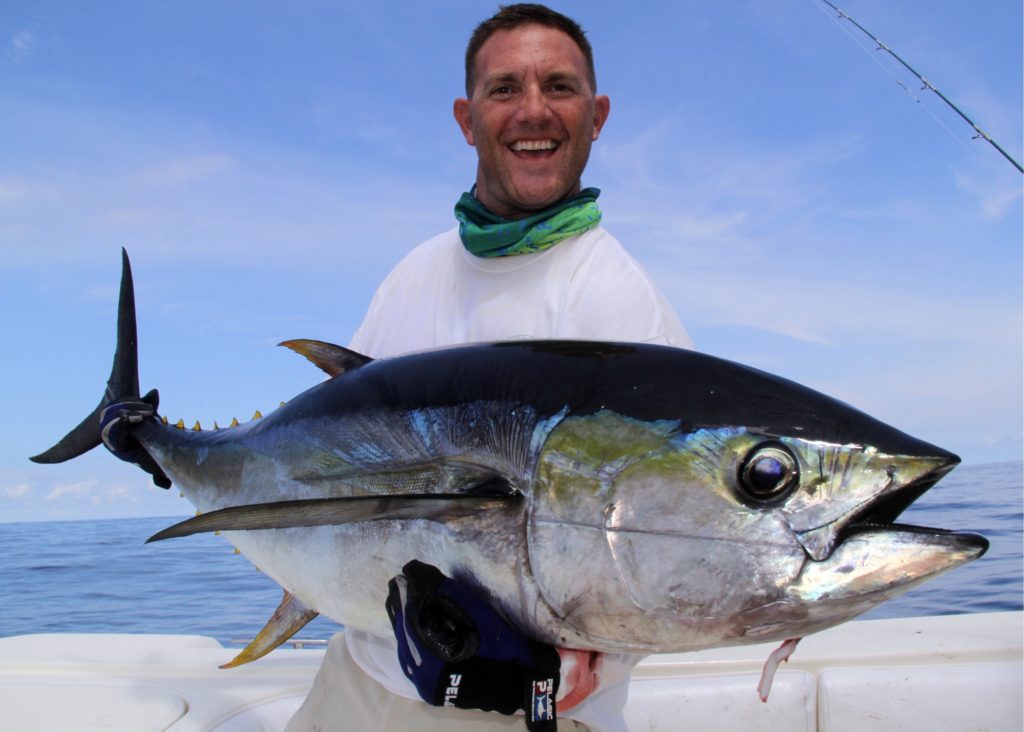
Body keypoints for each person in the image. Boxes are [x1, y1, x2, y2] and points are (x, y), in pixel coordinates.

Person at [286, 5, 691, 731]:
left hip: (518, 713)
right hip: (360, 672)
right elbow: (332, 442)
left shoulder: (625, 309)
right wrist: (170, 453)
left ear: (596, 115)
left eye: (559, 87)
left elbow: (665, 544)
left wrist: (576, 664)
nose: (533, 111)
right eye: (505, 89)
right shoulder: (414, 272)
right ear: (466, 119)